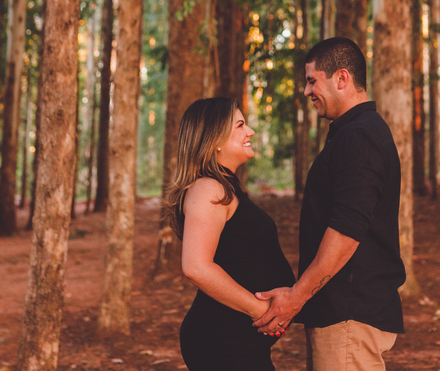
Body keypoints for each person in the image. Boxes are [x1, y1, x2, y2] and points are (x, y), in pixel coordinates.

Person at [253, 37, 405, 370]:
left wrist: (296, 297)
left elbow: (347, 231)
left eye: (311, 81)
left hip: (349, 316)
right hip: (342, 315)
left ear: (341, 78)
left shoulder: (359, 136)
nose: (306, 91)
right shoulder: (352, 133)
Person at [166, 97, 296, 371]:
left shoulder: (225, 187)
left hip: (237, 341)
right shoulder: (208, 189)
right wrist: (258, 310)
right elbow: (196, 267)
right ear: (215, 140)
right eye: (240, 125)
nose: (250, 132)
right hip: (222, 342)